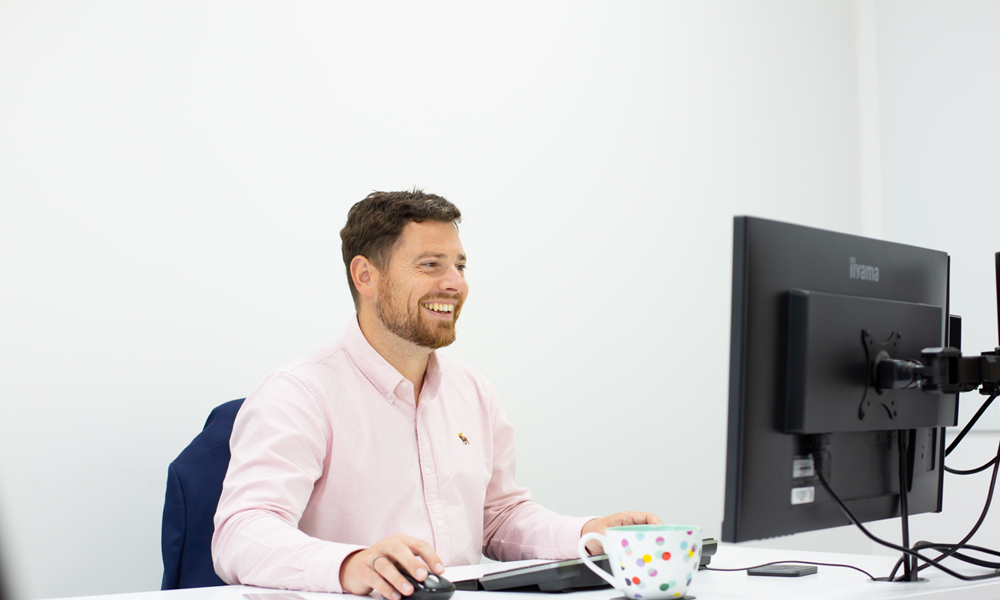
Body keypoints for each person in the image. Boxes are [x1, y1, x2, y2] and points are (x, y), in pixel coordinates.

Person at [212, 190, 660, 598]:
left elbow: (499, 519)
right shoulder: (299, 394)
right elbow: (241, 531)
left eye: (460, 266)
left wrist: (590, 533)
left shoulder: (473, 391)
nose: (455, 284)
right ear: (365, 276)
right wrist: (350, 564)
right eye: (431, 265)